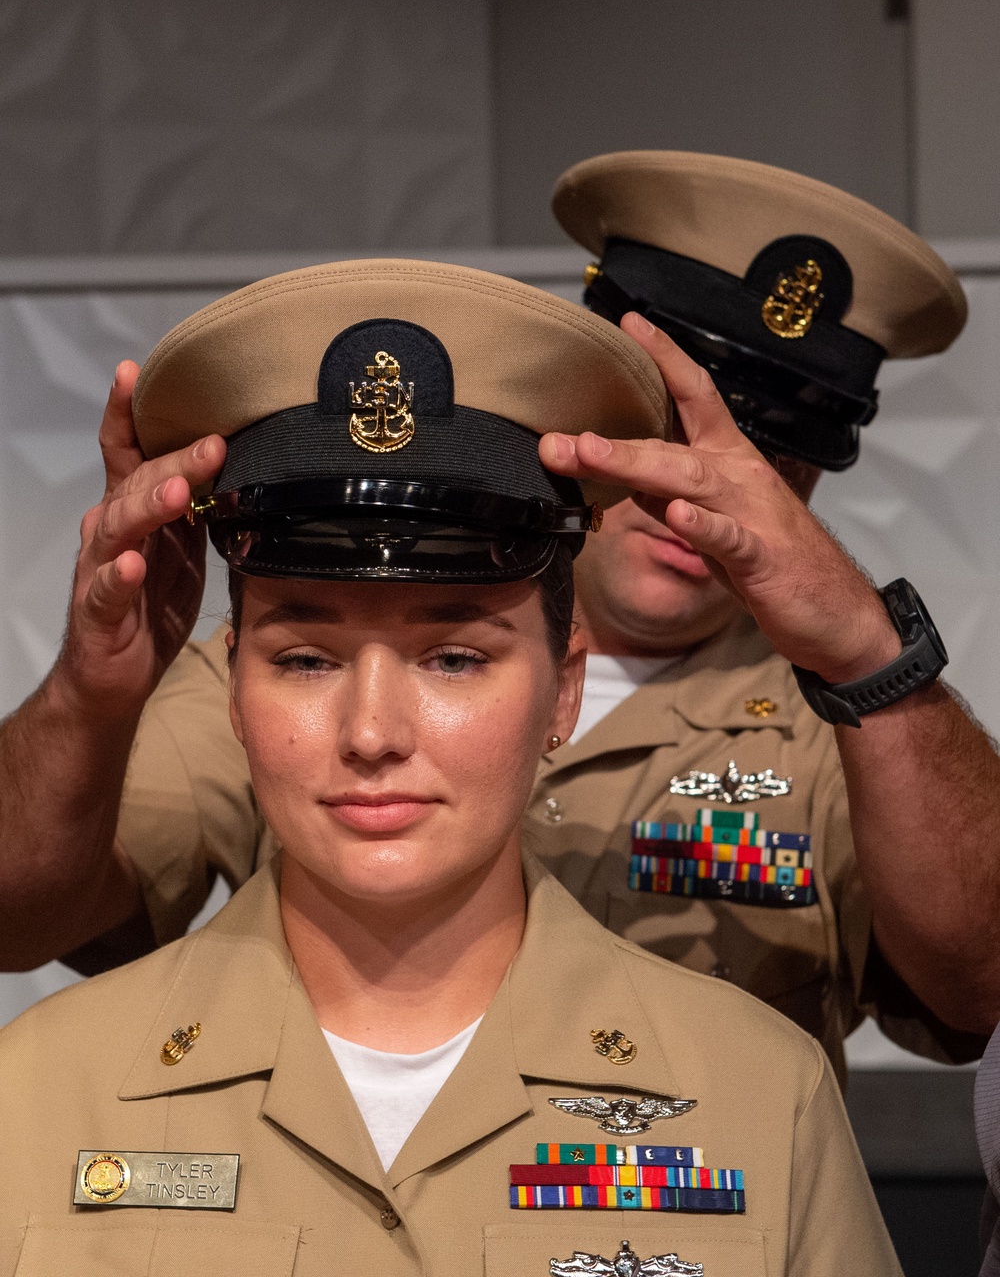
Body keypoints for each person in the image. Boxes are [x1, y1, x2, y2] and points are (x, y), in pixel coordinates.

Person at [2, 156, 998, 1085]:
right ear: (589, 417)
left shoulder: (849, 722)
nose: (709, 494)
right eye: (675, 439)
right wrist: (91, 695)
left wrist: (873, 657)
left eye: (772, 461)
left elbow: (979, 984)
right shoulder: (319, 650)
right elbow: (21, 913)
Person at [0, 260, 900, 1276]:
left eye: (454, 657)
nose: (373, 731)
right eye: (303, 658)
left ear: (563, 689)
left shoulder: (757, 1093)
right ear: (230, 687)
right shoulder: (37, 1092)